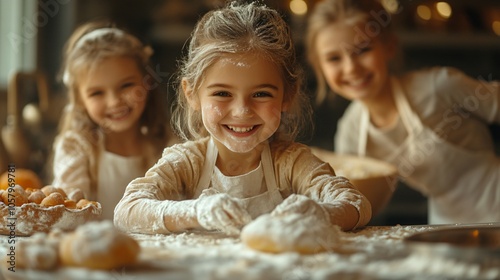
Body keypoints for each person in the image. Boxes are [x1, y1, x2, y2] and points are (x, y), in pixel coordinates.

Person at [114, 1, 372, 235]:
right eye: (222, 93)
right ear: (192, 94)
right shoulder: (187, 163)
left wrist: (320, 214)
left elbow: (355, 204)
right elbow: (127, 211)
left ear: (287, 96)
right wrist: (196, 211)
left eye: (261, 94)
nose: (242, 111)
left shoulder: (292, 163)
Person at [306, 0, 500, 224]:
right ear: (319, 67)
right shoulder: (350, 132)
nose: (351, 68)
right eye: (334, 58)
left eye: (363, 49)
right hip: (446, 226)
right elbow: (353, 203)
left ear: (389, 46)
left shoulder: (438, 88)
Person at [51, 21, 178, 220]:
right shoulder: (76, 148)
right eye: (97, 93)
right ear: (80, 101)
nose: (115, 101)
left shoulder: (169, 145)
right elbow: (69, 215)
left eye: (126, 85)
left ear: (147, 83)